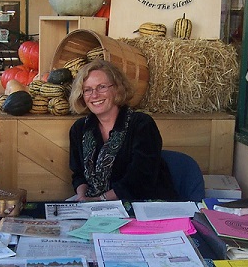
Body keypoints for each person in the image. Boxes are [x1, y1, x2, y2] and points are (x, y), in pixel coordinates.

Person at [69, 60, 178, 202]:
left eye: (102, 87)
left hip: (143, 205)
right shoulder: (79, 129)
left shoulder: (141, 124)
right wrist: (82, 197)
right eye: (87, 90)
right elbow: (78, 174)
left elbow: (140, 179)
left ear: (117, 89)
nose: (94, 95)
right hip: (93, 203)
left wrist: (100, 199)